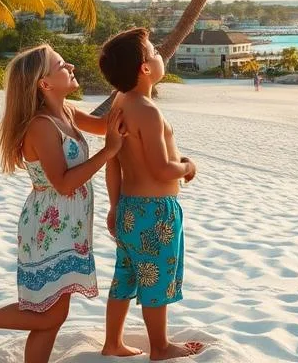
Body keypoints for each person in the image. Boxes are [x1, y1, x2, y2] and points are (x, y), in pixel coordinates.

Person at [0, 45, 125, 362]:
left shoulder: (66, 112)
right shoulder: (41, 125)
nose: (70, 64)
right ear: (44, 84)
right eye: (60, 64)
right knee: (49, 314)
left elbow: (105, 125)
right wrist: (108, 152)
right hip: (49, 226)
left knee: (50, 316)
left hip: (67, 227)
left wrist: (128, 87)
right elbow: (63, 181)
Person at [99, 30, 204, 361]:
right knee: (155, 281)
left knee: (125, 277)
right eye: (154, 51)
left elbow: (113, 163)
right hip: (156, 212)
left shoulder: (120, 102)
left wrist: (115, 206)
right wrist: (186, 166)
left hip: (130, 207)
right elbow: (161, 169)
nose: (160, 55)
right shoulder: (147, 110)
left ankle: (113, 342)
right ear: (145, 68)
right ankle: (159, 347)